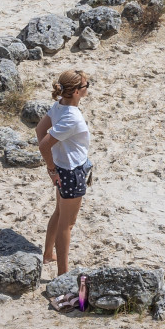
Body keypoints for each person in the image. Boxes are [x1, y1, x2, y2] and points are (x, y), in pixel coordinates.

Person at [37, 70, 93, 278]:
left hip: (64, 168)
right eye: (87, 86)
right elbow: (44, 145)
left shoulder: (59, 105)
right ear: (77, 92)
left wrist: (55, 164)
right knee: (67, 224)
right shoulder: (72, 118)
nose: (88, 88)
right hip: (71, 172)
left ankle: (48, 254)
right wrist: (51, 169)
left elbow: (39, 131)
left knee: (59, 213)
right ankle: (62, 273)